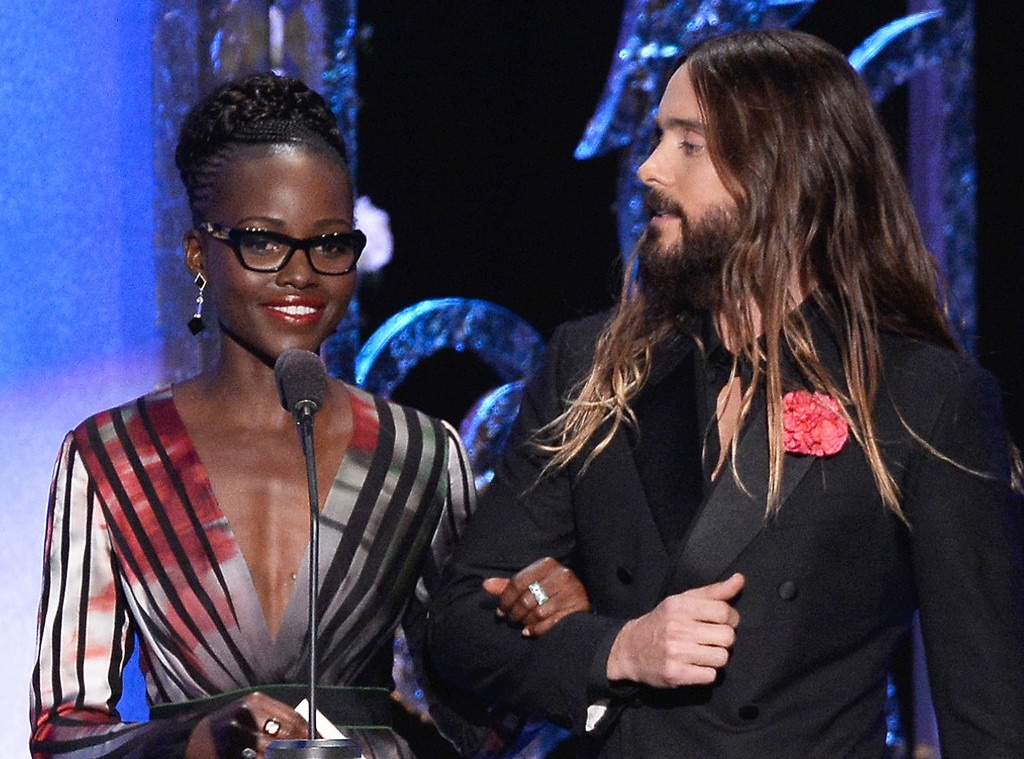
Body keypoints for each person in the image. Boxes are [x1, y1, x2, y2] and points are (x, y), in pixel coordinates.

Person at [427, 27, 1024, 758]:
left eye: (688, 144)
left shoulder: (923, 398)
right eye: (657, 138)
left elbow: (988, 714)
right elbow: (458, 624)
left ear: (783, 174)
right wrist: (616, 648)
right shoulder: (594, 365)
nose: (647, 168)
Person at [28, 72, 584, 759]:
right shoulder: (109, 457)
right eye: (264, 241)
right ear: (200, 253)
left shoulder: (420, 453)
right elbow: (62, 733)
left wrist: (540, 625)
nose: (302, 272)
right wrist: (195, 740)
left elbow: (480, 723)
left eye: (330, 244)